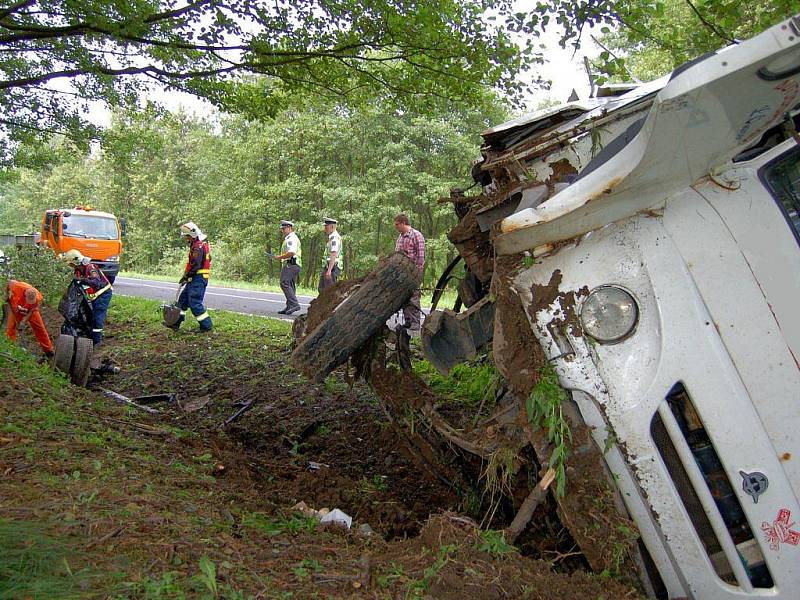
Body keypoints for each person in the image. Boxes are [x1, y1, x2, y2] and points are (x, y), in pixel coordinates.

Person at [169, 222, 213, 332]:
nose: (186, 239)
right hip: (194, 278)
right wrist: (187, 276)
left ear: (192, 235)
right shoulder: (200, 244)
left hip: (198, 279)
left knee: (194, 303)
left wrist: (186, 276)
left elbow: (196, 265)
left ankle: (206, 326)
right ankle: (175, 323)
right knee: (182, 301)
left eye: (187, 236)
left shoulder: (198, 247)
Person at [63, 249, 113, 345]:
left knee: (97, 318)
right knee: (91, 316)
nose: (71, 266)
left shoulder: (91, 267)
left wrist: (83, 280)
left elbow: (96, 282)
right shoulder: (79, 270)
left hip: (103, 295)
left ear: (75, 262)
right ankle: (92, 337)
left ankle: (97, 342)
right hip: (94, 296)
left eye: (71, 264)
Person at [4, 279, 54, 357]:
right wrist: (7, 294)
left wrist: (23, 321)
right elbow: (9, 282)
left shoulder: (36, 296)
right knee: (11, 326)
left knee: (40, 328)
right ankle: (10, 346)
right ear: (25, 295)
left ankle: (48, 350)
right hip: (16, 306)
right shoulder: (17, 286)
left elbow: (32, 310)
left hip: (31, 310)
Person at [393, 213, 425, 331]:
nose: (396, 227)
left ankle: (416, 322)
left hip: (414, 272)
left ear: (403, 223)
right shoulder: (400, 238)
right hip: (403, 273)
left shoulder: (416, 235)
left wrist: (416, 271)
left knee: (414, 297)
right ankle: (408, 321)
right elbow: (397, 255)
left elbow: (421, 256)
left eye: (397, 225)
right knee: (405, 297)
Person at [270, 220, 302, 315]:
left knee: (284, 282)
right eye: (282, 229)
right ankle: (290, 306)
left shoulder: (291, 238)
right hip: (294, 264)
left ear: (289, 228)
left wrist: (279, 257)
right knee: (290, 285)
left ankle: (294, 304)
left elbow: (291, 252)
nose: (282, 231)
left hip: (291, 263)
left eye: (284, 229)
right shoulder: (290, 238)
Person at [318, 217, 343, 293]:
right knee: (322, 289)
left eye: (326, 226)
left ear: (332, 226)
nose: (325, 228)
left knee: (329, 291)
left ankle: (334, 304)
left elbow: (333, 253)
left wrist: (329, 270)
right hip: (330, 266)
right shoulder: (332, 237)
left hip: (332, 267)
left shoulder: (334, 238)